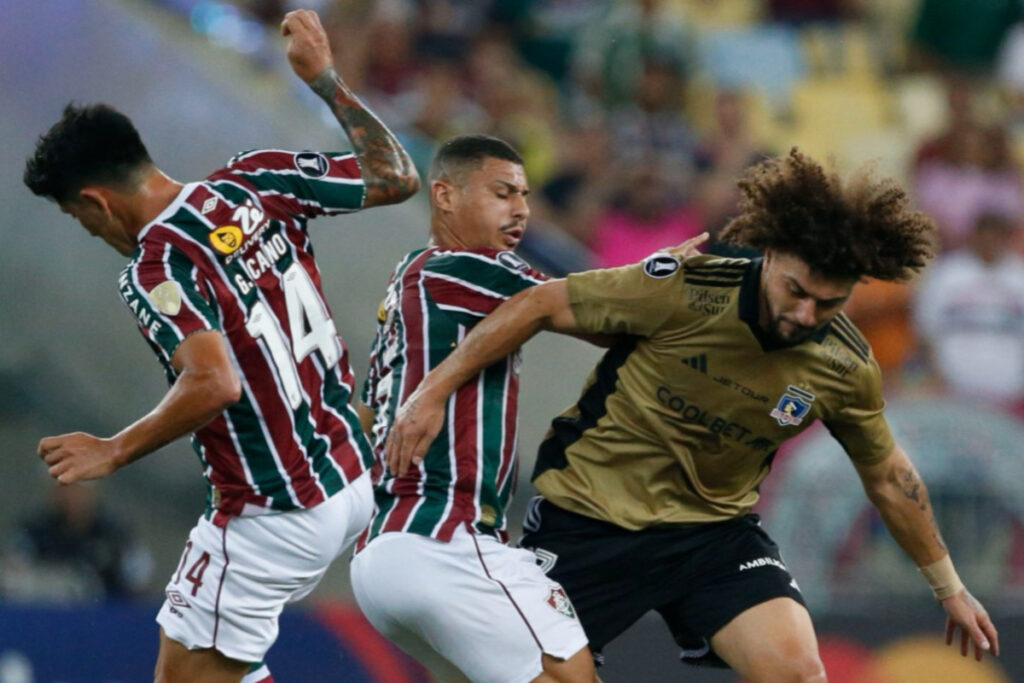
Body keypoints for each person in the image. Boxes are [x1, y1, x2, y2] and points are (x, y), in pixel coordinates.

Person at [385, 149, 999, 681]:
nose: (807, 314)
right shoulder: (683, 287)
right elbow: (541, 304)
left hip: (712, 535)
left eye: (828, 302)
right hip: (589, 520)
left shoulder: (844, 364)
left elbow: (888, 475)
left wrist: (949, 586)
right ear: (770, 253)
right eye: (796, 291)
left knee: (801, 673)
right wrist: (431, 393)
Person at [23, 9, 419, 683]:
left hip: (276, 505)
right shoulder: (254, 180)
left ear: (95, 201)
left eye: (78, 218)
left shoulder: (157, 269)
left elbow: (215, 382)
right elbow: (397, 175)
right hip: (350, 472)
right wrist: (324, 82)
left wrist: (112, 449)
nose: (91, 231)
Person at [349, 135, 597, 683]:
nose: (522, 210)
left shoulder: (407, 281)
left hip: (381, 560)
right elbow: (594, 312)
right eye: (502, 193)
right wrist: (671, 284)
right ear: (444, 195)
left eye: (525, 196)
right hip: (443, 538)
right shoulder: (463, 268)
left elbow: (364, 414)